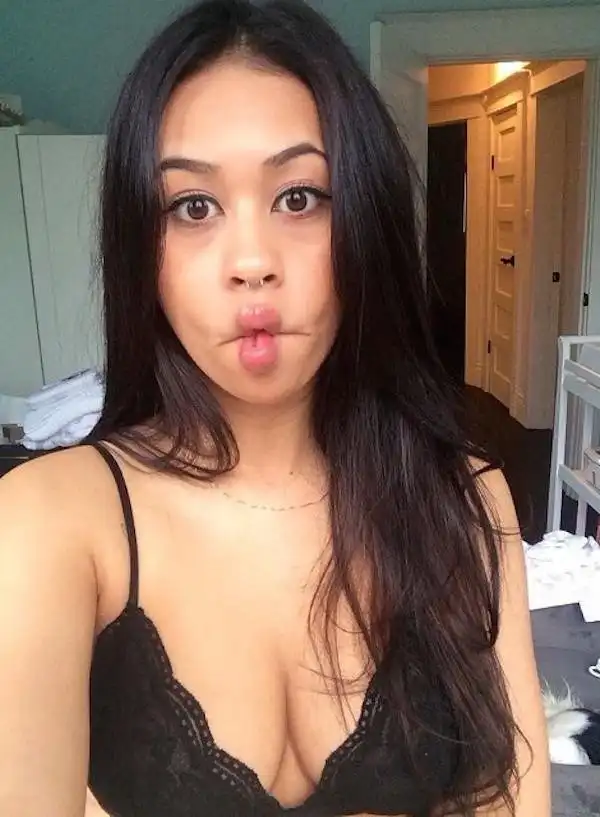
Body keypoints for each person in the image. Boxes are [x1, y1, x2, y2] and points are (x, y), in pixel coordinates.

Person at [0, 1, 550, 815]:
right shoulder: (49, 523)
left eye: (299, 197)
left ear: (365, 221)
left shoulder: (466, 500)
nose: (252, 261)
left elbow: (512, 796)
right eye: (193, 206)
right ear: (141, 249)